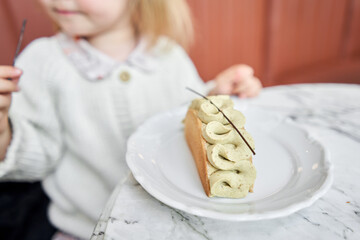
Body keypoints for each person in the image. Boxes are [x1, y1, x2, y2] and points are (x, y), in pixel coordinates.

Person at [0, 0, 262, 239]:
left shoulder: (167, 54)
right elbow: (36, 159)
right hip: (85, 229)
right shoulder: (43, 62)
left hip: (173, 228)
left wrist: (215, 97)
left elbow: (185, 121)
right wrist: (3, 132)